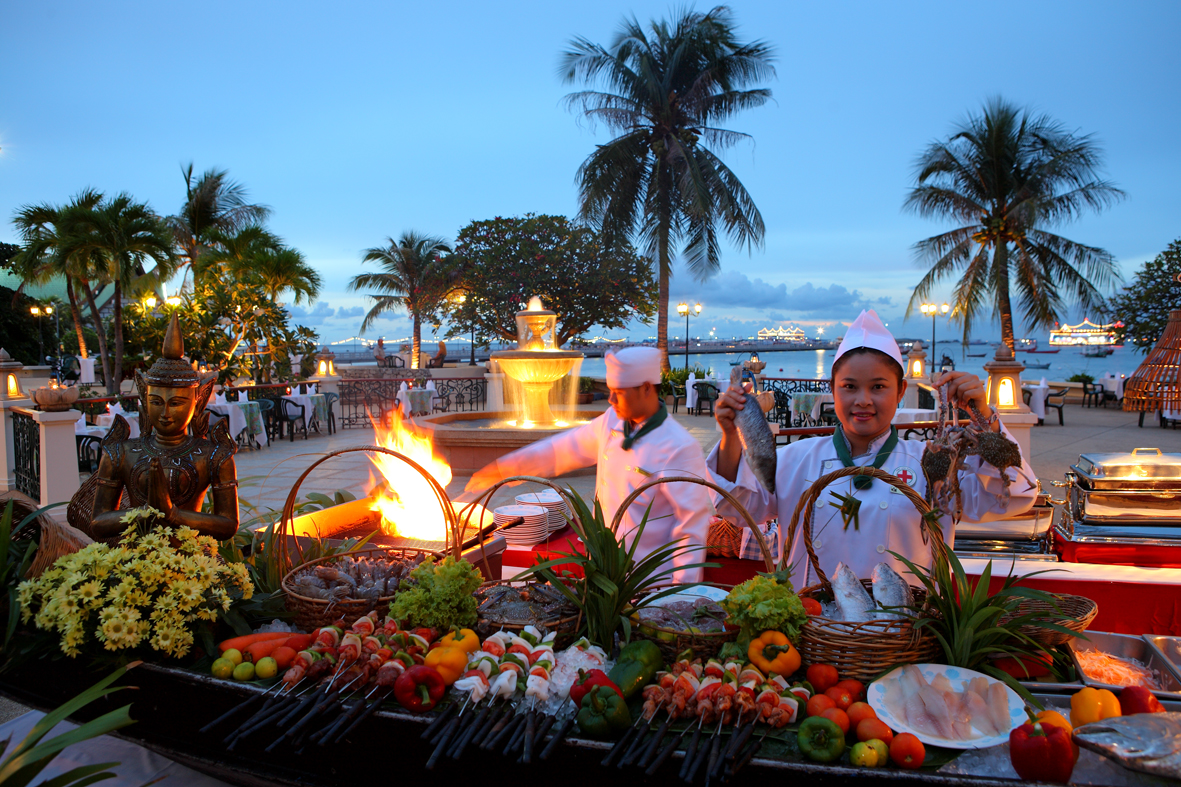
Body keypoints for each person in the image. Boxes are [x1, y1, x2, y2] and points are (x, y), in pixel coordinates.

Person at [708, 309, 1037, 587]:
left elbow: (1015, 497)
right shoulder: (796, 458)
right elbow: (735, 507)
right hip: (810, 634)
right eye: (849, 387)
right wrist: (728, 436)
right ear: (832, 390)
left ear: (900, 390)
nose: (863, 400)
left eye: (878, 387)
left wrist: (985, 419)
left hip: (906, 638)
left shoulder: (934, 462)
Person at [465, 347, 713, 583]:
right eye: (610, 390)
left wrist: (678, 594)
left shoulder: (680, 446)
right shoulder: (612, 421)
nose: (611, 399)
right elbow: (562, 449)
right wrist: (503, 468)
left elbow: (691, 527)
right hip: (603, 568)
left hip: (649, 581)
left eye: (620, 392)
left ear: (647, 388)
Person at [78, 314, 239, 542]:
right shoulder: (120, 453)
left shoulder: (214, 456)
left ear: (198, 402)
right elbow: (98, 523)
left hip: (193, 560)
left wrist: (174, 515)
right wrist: (145, 513)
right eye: (156, 402)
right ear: (144, 399)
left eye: (176, 404)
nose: (164, 414)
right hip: (134, 558)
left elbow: (228, 525)